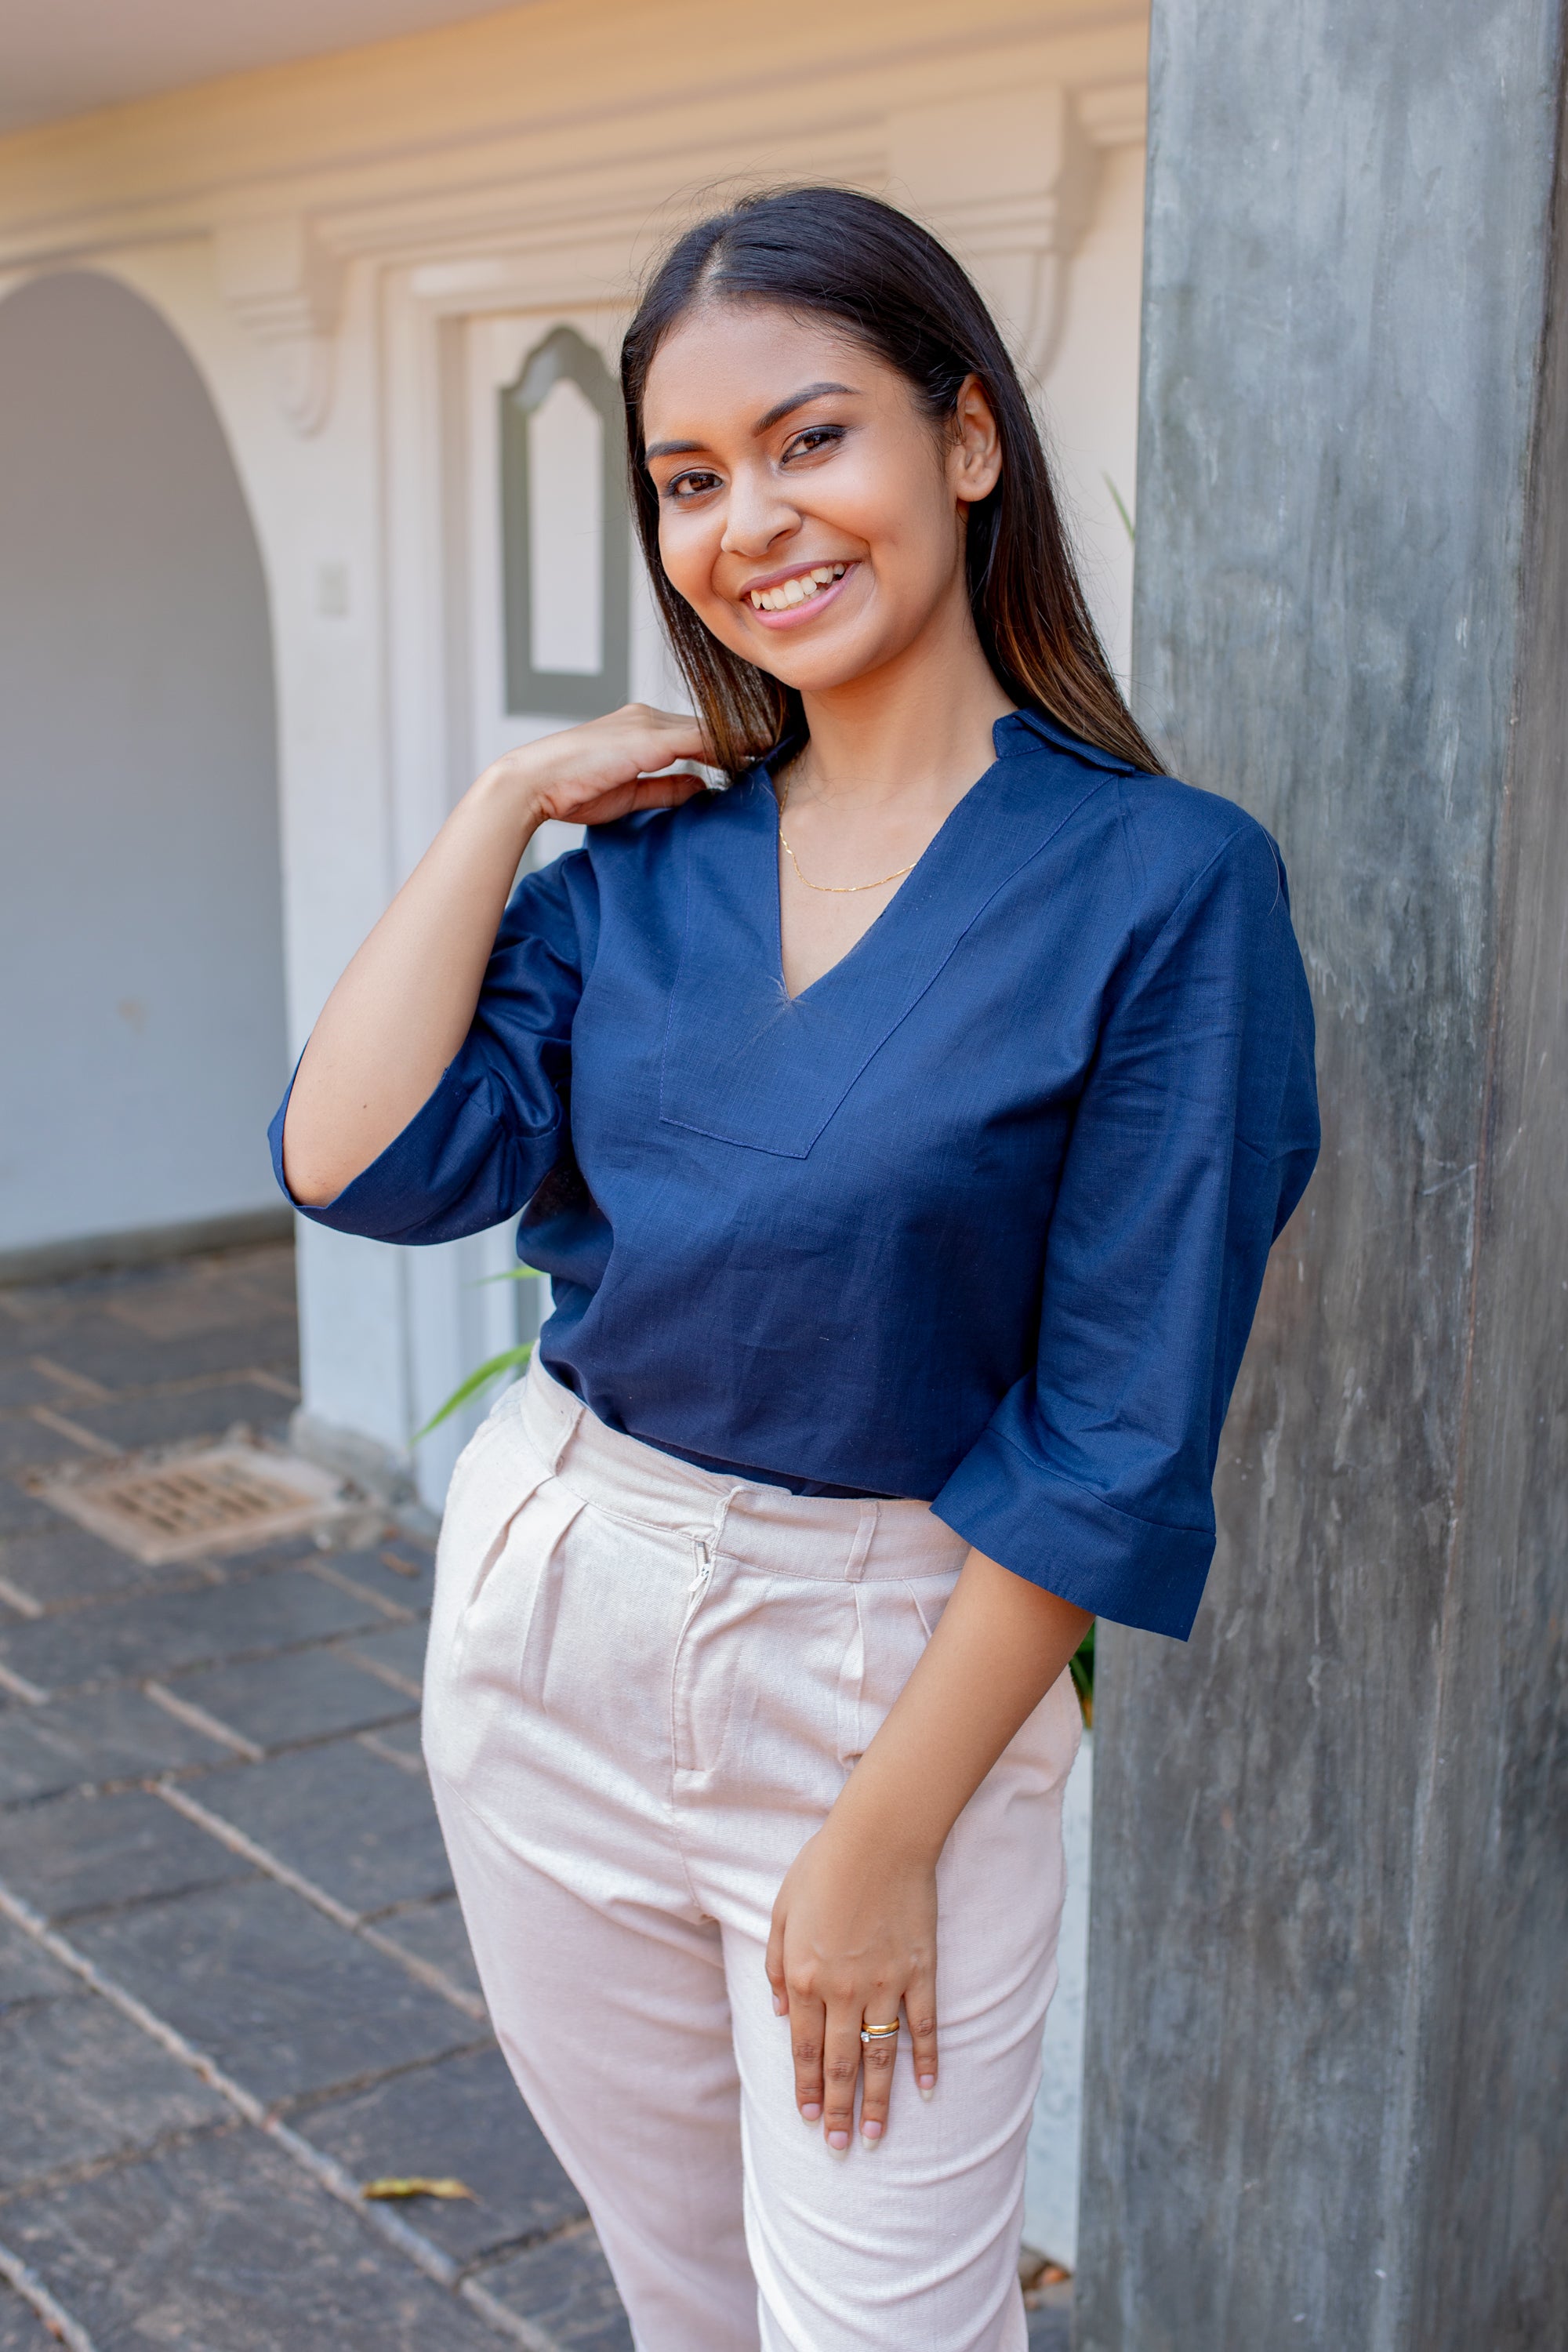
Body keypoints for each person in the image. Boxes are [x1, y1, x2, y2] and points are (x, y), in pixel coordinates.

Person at [271, 186, 1319, 2352]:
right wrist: (503, 804)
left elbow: (1114, 1425)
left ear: (965, 439)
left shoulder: (1161, 886)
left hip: (888, 1670)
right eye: (689, 478)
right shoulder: (643, 874)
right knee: (689, 2299)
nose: (750, 519)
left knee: (887, 2324)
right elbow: (355, 1159)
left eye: (809, 437)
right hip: (559, 1611)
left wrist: (881, 1837)